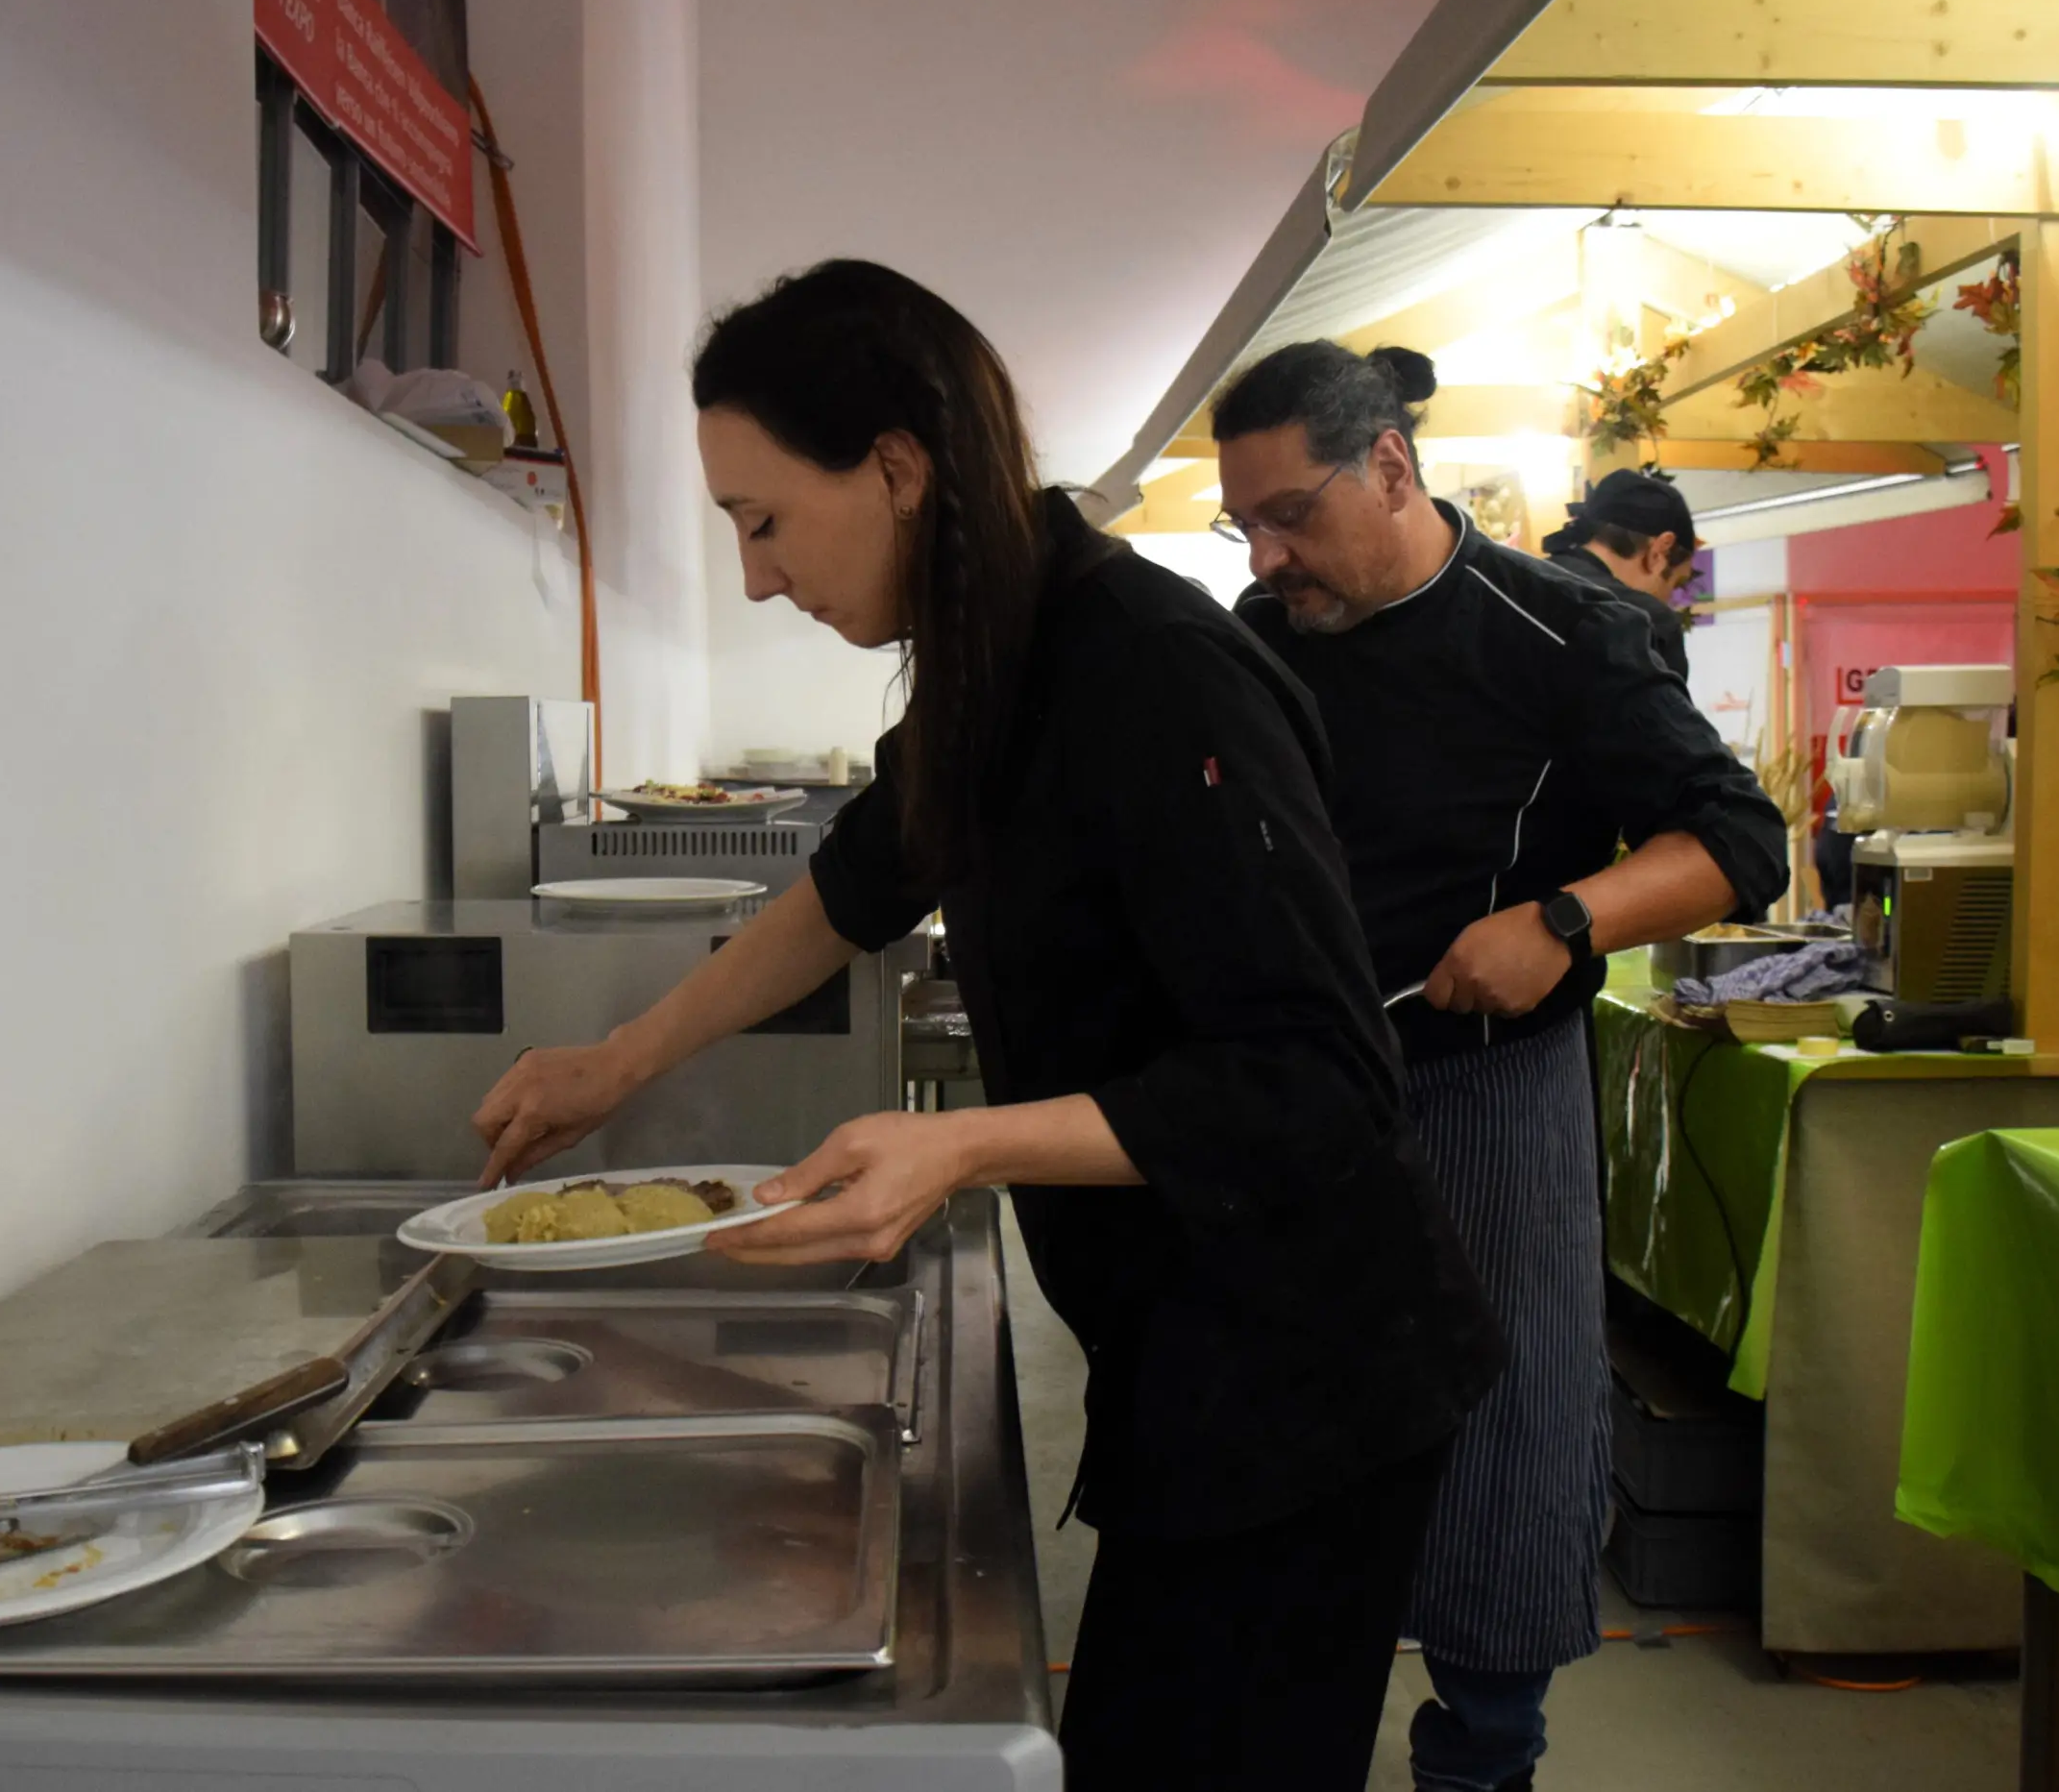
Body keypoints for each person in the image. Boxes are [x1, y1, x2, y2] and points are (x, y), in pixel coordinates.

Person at [470, 261, 1502, 1790]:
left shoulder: (1149, 667)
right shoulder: (991, 662)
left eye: (762, 520)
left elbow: (1313, 1083)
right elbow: (854, 881)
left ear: (896, 467)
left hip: (1308, 1378)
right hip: (1185, 1354)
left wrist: (956, 1145)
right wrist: (617, 1061)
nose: (755, 576)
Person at [1211, 341, 1788, 1792]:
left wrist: (1562, 916)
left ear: (1391, 468)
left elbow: (1741, 843)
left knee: (1508, 1426)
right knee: (1290, 1422)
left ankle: (1482, 1753)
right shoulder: (1259, 635)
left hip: (1489, 1084)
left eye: (1291, 515)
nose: (1268, 554)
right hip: (1297, 1087)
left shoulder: (1566, 632)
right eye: (1246, 526)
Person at [1540, 468, 1700, 677]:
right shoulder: (1645, 621)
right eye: (1676, 583)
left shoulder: (1522, 583)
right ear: (1660, 551)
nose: (1669, 599)